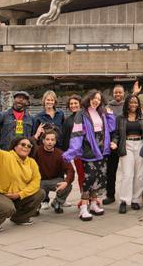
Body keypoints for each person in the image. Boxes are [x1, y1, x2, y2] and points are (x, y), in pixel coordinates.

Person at [62, 89, 115, 221]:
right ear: (89, 99)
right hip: (88, 151)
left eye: (98, 98)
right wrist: (72, 151)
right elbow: (77, 133)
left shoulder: (101, 113)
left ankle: (93, 204)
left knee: (98, 178)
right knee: (88, 180)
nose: (96, 100)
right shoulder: (81, 113)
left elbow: (111, 127)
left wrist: (109, 115)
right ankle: (83, 208)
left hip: (101, 151)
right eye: (94, 98)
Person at [111, 95, 143, 214]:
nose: (133, 104)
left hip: (140, 145)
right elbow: (116, 133)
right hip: (126, 145)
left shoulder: (142, 117)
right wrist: (114, 142)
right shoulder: (120, 118)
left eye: (135, 102)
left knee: (139, 175)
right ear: (127, 103)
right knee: (127, 174)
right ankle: (124, 201)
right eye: (131, 102)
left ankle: (136, 200)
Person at [32, 128, 74, 214]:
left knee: (68, 185)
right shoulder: (36, 151)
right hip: (39, 181)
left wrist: (66, 182)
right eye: (47, 139)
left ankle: (57, 203)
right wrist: (36, 135)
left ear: (55, 141)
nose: (50, 142)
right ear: (43, 141)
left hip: (55, 181)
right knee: (32, 187)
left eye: (52, 140)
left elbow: (70, 170)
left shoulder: (61, 154)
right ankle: (36, 206)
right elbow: (27, 144)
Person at [103, 85, 125, 205]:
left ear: (123, 94)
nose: (118, 95)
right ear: (113, 93)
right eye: (116, 93)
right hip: (112, 142)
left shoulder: (127, 105)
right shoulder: (108, 107)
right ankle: (110, 194)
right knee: (111, 170)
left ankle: (129, 195)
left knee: (128, 171)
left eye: (120, 93)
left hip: (125, 141)